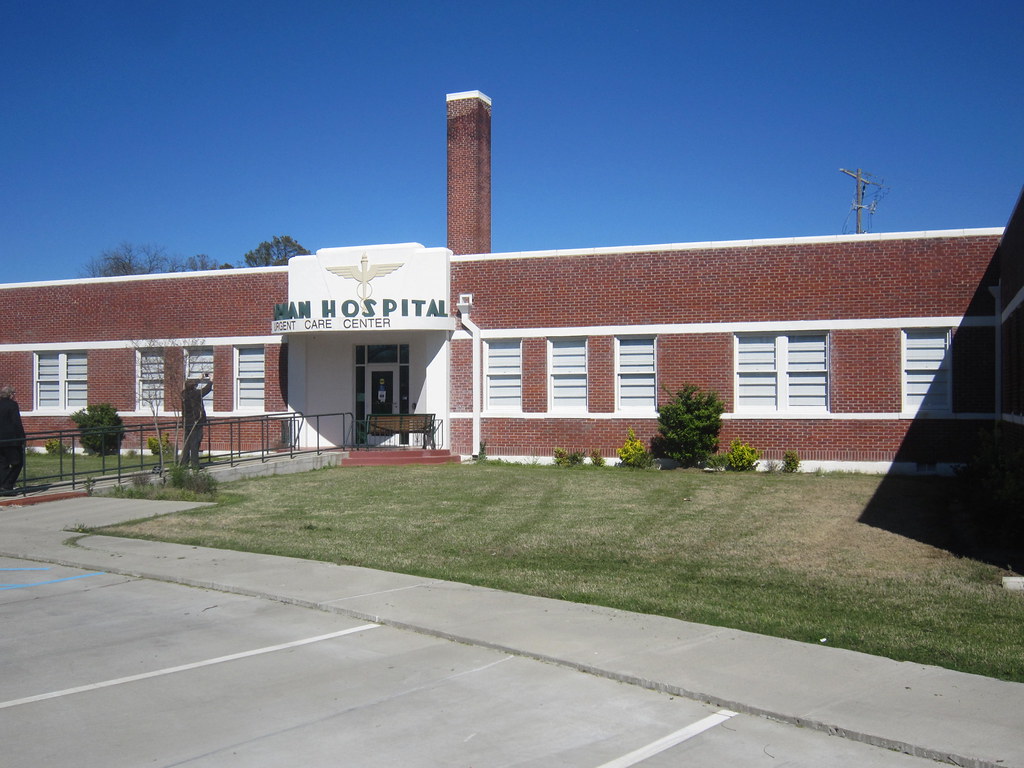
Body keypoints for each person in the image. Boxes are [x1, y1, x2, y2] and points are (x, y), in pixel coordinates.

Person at [181, 374, 212, 468]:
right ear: (193, 387)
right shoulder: (196, 394)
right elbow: (206, 390)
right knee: (195, 443)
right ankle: (195, 465)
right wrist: (211, 381)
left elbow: (190, 386)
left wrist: (199, 379)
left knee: (187, 443)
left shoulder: (184, 394)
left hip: (186, 422)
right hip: (195, 422)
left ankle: (184, 463)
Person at [0, 385, 26, 495]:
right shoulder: (12, 405)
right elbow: (16, 423)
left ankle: (3, 485)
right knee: (18, 463)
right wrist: (22, 438)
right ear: (11, 395)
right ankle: (7, 486)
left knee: (2, 463)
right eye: (14, 394)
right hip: (11, 440)